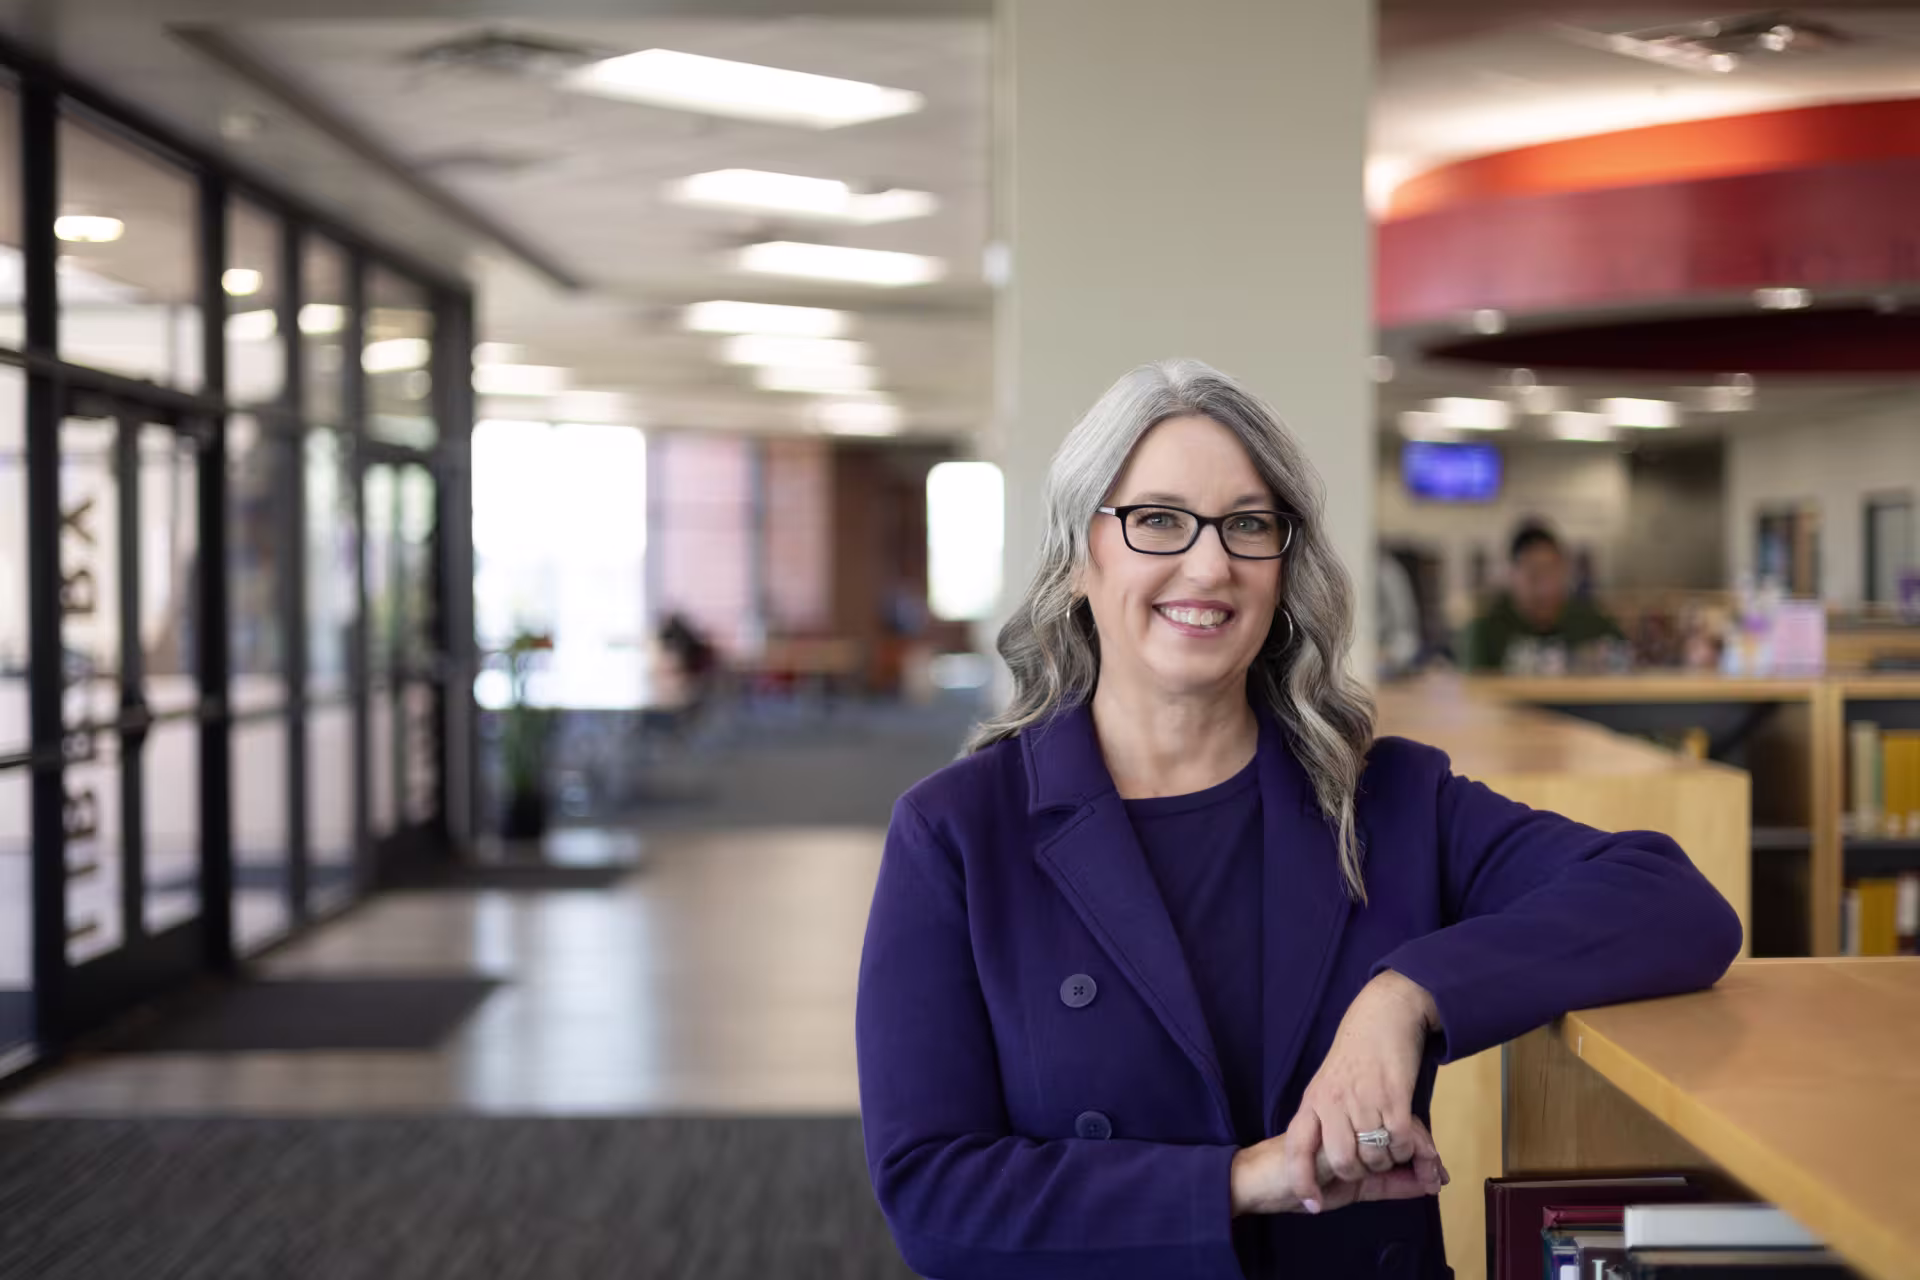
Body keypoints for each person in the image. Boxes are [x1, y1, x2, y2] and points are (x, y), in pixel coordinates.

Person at [854, 360, 1740, 1279]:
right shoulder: (958, 833)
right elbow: (934, 1198)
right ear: (1083, 557)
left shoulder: (1388, 800)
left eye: (1248, 524)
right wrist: (1247, 1179)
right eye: (1158, 519)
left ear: (1284, 563)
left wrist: (1405, 996)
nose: (1210, 564)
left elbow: (1675, 903)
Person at [1459, 522, 1624, 673]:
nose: (1545, 589)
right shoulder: (1483, 632)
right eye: (1534, 576)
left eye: (1553, 574)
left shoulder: (1594, 625)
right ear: (1511, 575)